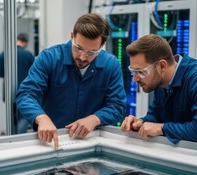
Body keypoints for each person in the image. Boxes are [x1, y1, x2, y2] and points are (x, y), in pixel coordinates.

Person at [15, 13, 127, 149]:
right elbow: (26, 94)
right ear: (72, 36)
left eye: (91, 52)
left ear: (102, 45)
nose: (83, 57)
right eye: (79, 48)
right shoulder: (49, 58)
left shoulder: (111, 65)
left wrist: (94, 118)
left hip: (90, 142)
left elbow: (117, 105)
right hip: (51, 142)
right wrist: (41, 117)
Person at [0, 33, 35, 134]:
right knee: (24, 117)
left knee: (11, 117)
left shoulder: (3, 54)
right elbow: (34, 74)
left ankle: (11, 137)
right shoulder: (28, 55)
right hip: (24, 92)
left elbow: (0, 74)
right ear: (25, 42)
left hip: (8, 93)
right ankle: (18, 139)